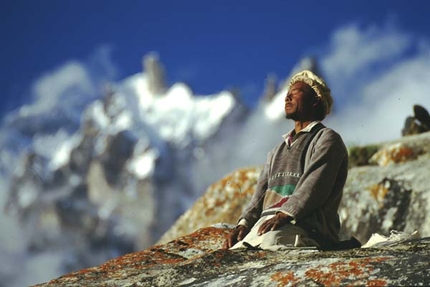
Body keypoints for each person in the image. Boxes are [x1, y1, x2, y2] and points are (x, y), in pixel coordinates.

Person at [223, 70, 349, 251]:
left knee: (271, 244)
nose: (287, 97)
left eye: (297, 92)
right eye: (287, 93)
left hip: (308, 228)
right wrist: (243, 224)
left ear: (315, 101)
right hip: (269, 224)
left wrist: (285, 215)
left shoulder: (327, 139)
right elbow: (259, 196)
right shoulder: (276, 151)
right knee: (234, 250)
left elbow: (315, 185)